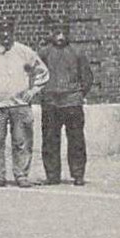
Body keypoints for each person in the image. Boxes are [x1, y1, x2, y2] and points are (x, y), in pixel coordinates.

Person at [0, 16, 49, 188]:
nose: (5, 35)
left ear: (13, 31)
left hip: (20, 105)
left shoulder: (24, 52)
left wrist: (32, 91)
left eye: (8, 31)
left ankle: (22, 174)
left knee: (22, 141)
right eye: (2, 31)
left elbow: (43, 72)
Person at [38, 19, 94, 186]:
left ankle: (77, 173)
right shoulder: (44, 53)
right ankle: (52, 174)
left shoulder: (77, 52)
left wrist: (77, 94)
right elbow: (36, 75)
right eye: (57, 33)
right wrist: (44, 92)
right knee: (50, 140)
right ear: (52, 34)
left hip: (72, 103)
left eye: (63, 32)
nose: (60, 36)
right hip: (51, 103)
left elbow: (87, 77)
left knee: (76, 140)